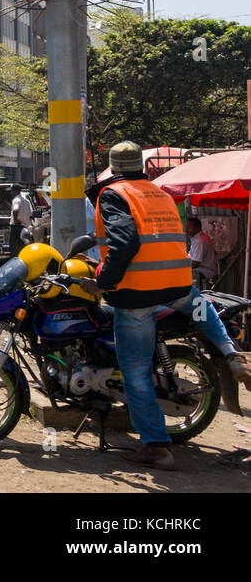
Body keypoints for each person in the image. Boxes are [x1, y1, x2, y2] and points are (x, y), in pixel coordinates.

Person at [81, 141, 251, 471]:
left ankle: (156, 447)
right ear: (139, 167)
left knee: (136, 372)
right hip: (177, 285)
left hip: (138, 296)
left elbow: (124, 243)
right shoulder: (158, 193)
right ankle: (230, 352)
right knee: (201, 307)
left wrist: (102, 281)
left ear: (112, 168)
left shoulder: (114, 194)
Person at [187, 216, 218, 288]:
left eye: (189, 227)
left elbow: (195, 263)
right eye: (186, 227)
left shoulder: (200, 241)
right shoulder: (199, 238)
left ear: (197, 228)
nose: (187, 229)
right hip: (204, 269)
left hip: (205, 270)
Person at [8, 184, 32, 256]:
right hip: (25, 228)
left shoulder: (16, 200)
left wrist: (15, 221)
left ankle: (16, 260)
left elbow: (15, 209)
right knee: (22, 247)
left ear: (16, 191)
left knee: (15, 248)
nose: (10, 193)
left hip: (17, 228)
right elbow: (30, 215)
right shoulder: (26, 201)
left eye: (12, 191)